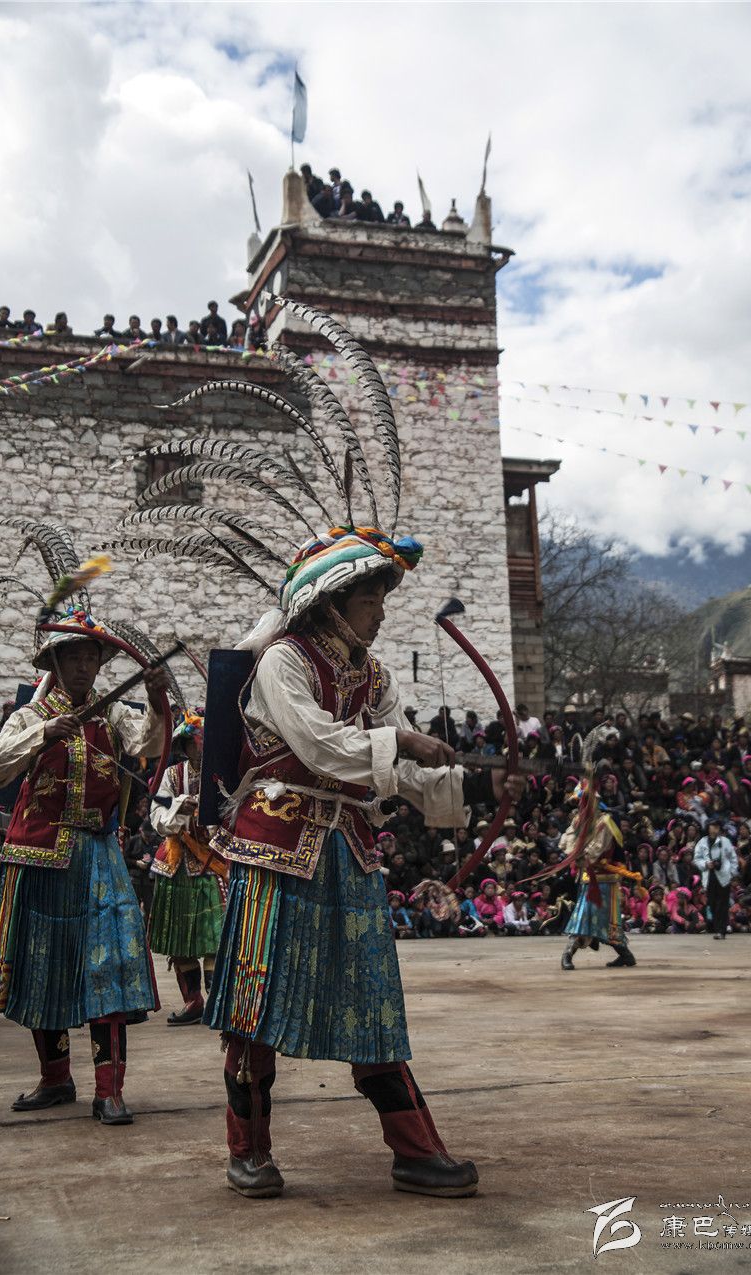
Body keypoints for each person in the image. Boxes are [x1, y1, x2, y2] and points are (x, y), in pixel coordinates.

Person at [175, 303, 524, 1201]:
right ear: (332, 599)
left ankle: (414, 1150)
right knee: (253, 1006)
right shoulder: (283, 662)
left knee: (376, 1007)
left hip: (348, 853)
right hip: (273, 851)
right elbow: (324, 748)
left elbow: (390, 771)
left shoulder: (373, 675)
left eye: (381, 595)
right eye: (370, 595)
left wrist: (459, 787)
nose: (379, 608)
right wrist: (398, 740)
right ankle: (248, 1148)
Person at [0, 608, 167, 1124]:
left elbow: (149, 744)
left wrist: (156, 700)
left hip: (99, 856)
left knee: (110, 968)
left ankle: (110, 1090)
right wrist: (43, 733)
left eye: (91, 658)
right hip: (40, 856)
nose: (84, 667)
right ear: (56, 664)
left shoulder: (113, 714)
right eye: (75, 658)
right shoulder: (30, 716)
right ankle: (55, 1078)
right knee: (42, 967)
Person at [148, 711, 226, 1025]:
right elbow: (159, 817)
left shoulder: (222, 776)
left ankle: (216, 1001)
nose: (200, 748)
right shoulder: (171, 776)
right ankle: (193, 1002)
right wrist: (181, 807)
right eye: (195, 743)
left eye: (205, 742)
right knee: (178, 939)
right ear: (184, 745)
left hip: (213, 864)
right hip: (177, 864)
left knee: (215, 938)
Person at [560, 773, 641, 971]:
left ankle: (570, 953)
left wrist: (579, 854)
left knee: (600, 918)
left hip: (604, 878)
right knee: (587, 915)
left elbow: (596, 849)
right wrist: (574, 852)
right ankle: (624, 954)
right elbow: (566, 840)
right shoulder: (579, 820)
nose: (582, 805)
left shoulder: (605, 822)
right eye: (580, 802)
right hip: (588, 877)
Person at [693, 818, 738, 939]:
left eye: (717, 827)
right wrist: (706, 864)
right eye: (712, 826)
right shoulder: (702, 842)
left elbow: (733, 858)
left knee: (722, 904)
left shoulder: (725, 841)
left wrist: (732, 873)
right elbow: (697, 859)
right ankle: (718, 927)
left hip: (724, 876)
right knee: (712, 904)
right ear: (708, 828)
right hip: (709, 876)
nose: (714, 829)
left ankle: (721, 930)